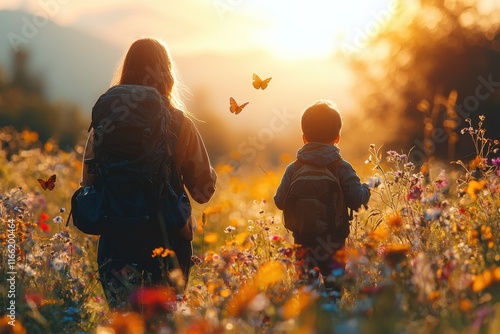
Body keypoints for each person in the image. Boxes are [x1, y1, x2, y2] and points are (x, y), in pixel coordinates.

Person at [81, 38, 217, 308]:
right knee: (162, 322)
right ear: (166, 73)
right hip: (167, 238)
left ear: (127, 70)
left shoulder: (106, 122)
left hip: (115, 238)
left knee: (124, 321)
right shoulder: (180, 123)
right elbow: (203, 191)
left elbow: (88, 183)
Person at [274, 100, 370, 297]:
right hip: (333, 242)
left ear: (304, 137)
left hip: (301, 241)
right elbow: (358, 200)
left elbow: (279, 201)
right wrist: (368, 187)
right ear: (337, 137)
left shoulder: (294, 168)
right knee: (334, 290)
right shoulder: (341, 167)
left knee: (306, 292)